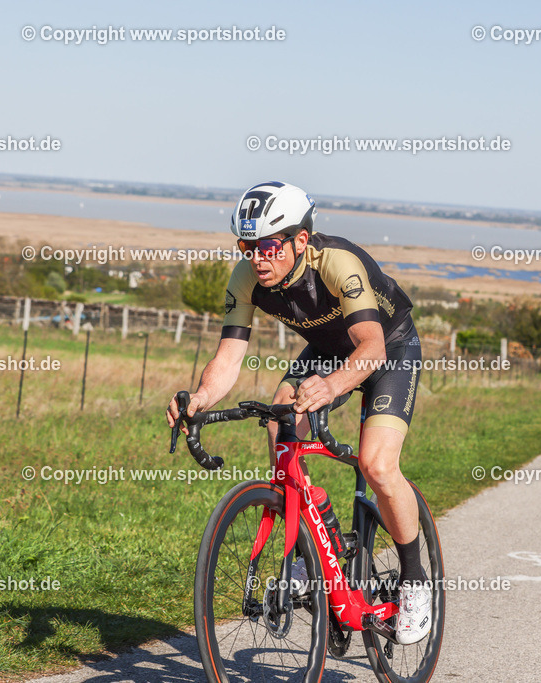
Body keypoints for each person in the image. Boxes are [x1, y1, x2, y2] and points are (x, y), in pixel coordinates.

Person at [166, 181, 431, 644]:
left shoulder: (337, 264)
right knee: (279, 422)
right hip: (328, 350)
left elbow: (369, 347)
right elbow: (228, 358)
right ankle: (315, 540)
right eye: (248, 247)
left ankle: (415, 584)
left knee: (377, 464)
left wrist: (330, 386)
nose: (257, 259)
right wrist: (202, 397)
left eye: (268, 247)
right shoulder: (246, 278)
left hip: (388, 348)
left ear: (300, 241)